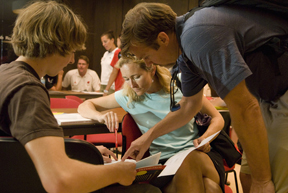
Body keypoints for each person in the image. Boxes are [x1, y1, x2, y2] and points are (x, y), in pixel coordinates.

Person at [120, 2, 288, 193]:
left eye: (146, 56)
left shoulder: (198, 36)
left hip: (282, 93)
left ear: (163, 38)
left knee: (274, 183)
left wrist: (263, 180)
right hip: (265, 95)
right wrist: (148, 138)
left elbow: (244, 107)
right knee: (248, 177)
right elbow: (188, 106)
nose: (148, 63)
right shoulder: (186, 52)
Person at [0, 1, 161, 193]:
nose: (71, 60)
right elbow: (60, 181)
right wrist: (117, 172)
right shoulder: (28, 90)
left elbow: (30, 150)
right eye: (72, 51)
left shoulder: (6, 74)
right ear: (55, 44)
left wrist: (86, 153)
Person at [78, 57, 226, 192]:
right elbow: (84, 105)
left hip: (199, 153)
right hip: (164, 164)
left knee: (190, 160)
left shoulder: (181, 83)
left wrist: (205, 139)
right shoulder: (128, 96)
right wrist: (100, 116)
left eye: (137, 77)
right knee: (210, 188)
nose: (132, 84)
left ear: (152, 70)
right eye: (126, 79)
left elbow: (218, 118)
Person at [100, 30, 118, 94]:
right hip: (102, 84)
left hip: (111, 86)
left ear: (112, 40)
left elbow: (115, 72)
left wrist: (107, 89)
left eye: (105, 41)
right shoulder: (105, 53)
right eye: (102, 42)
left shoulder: (117, 52)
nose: (103, 44)